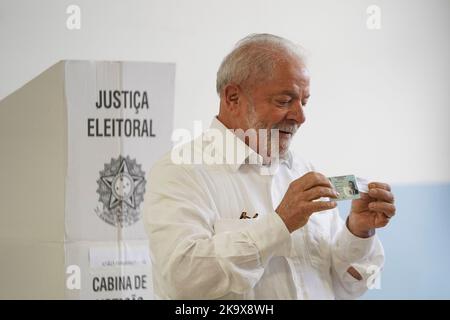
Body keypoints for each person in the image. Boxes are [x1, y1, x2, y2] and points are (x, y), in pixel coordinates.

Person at [143, 33, 396, 299]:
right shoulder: (181, 171)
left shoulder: (302, 170)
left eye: (304, 101)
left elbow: (349, 285)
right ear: (232, 97)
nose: (300, 117)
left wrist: (359, 231)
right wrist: (279, 224)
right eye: (284, 101)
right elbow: (183, 281)